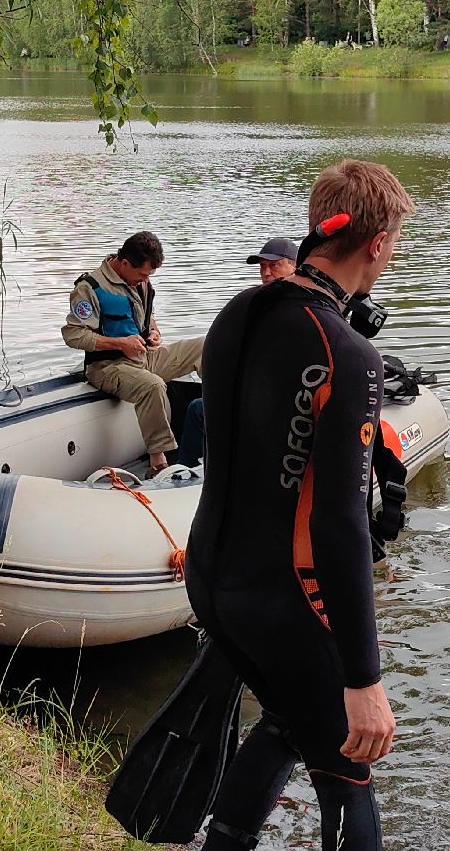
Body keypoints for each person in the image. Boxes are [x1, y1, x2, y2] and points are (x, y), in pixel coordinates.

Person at [187, 159, 414, 851]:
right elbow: (339, 523)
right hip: (282, 598)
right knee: (348, 765)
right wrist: (364, 677)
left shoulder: (237, 313)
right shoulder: (347, 352)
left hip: (211, 579)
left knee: (289, 720)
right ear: (377, 243)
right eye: (394, 246)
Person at [63, 231, 203, 472]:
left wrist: (154, 332)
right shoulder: (89, 288)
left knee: (205, 346)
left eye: (148, 275)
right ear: (125, 263)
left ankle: (217, 416)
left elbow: (147, 316)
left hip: (144, 357)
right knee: (153, 385)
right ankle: (159, 462)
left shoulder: (139, 281)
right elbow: (73, 335)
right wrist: (120, 344)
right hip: (108, 367)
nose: (145, 279)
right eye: (142, 274)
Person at [175, 238, 300, 467]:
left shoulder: (300, 310)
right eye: (262, 267)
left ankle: (188, 472)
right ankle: (194, 470)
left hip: (281, 405)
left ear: (295, 267)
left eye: (274, 266)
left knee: (199, 410)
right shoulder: (257, 304)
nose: (266, 273)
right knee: (201, 405)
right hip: (257, 394)